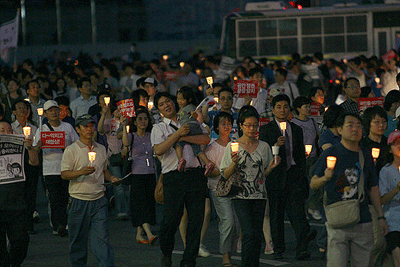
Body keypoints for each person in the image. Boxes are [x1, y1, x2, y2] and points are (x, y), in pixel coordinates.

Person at [310, 113, 388, 267]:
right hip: (337, 219)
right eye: (350, 125)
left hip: (362, 219)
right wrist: (325, 178)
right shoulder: (331, 153)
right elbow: (313, 183)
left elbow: (373, 188)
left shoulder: (365, 155)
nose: (355, 129)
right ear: (339, 129)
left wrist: (380, 217)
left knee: (364, 262)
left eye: (359, 126)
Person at [151, 92, 210, 267]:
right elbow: (159, 150)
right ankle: (166, 252)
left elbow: (205, 138)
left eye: (168, 101)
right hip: (173, 176)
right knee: (171, 219)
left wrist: (183, 136)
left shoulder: (189, 119)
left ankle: (189, 259)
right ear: (159, 109)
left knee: (196, 220)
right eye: (161, 104)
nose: (166, 105)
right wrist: (177, 135)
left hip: (195, 174)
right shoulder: (159, 128)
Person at [220, 105, 279, 267]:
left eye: (255, 125)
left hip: (259, 195)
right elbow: (224, 174)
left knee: (256, 234)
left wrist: (271, 168)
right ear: (240, 126)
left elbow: (262, 174)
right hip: (240, 195)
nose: (252, 129)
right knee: (248, 232)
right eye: (248, 125)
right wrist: (233, 163)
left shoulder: (264, 146)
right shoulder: (233, 146)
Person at [259, 94, 316, 260]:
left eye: (285, 107)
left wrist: (300, 172)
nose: (282, 110)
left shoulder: (296, 129)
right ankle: (278, 249)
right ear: (273, 109)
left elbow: (299, 154)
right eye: (279, 107)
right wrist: (275, 146)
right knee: (276, 216)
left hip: (293, 175)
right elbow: (263, 152)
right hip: (276, 177)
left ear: (289, 109)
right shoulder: (267, 129)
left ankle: (302, 248)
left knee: (297, 214)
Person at [61, 114, 121, 267]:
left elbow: (104, 170)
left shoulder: (101, 148)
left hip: (99, 199)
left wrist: (112, 178)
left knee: (102, 240)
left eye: (91, 126)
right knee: (78, 242)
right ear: (78, 130)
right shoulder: (71, 150)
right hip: (78, 200)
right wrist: (81, 172)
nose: (89, 129)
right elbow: (65, 174)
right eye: (85, 126)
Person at [33, 100, 79, 236]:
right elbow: (34, 148)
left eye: (56, 110)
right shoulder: (42, 129)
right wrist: (39, 145)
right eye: (50, 110)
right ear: (45, 114)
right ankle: (58, 224)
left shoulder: (68, 127)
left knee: (66, 197)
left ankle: (64, 223)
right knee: (54, 198)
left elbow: (76, 144)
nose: (54, 112)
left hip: (66, 168)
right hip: (50, 169)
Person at [0, 121, 39, 267]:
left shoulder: (20, 148)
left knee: (21, 241)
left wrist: (29, 147)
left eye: (9, 130)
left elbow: (34, 163)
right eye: (2, 130)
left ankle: (13, 263)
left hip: (17, 204)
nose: (6, 132)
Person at [205, 112, 240, 266]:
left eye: (228, 123)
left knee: (237, 224)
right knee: (228, 221)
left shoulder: (236, 145)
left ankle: (230, 253)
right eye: (223, 124)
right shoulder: (212, 148)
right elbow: (208, 172)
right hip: (218, 190)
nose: (226, 127)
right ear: (217, 127)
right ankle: (226, 256)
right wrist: (223, 170)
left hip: (236, 188)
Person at [122, 107, 158, 244]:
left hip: (150, 173)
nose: (143, 122)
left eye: (145, 119)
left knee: (148, 203)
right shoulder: (132, 136)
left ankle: (139, 234)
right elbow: (125, 143)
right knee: (140, 204)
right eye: (140, 119)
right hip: (137, 174)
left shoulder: (151, 135)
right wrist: (124, 126)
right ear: (135, 122)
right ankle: (149, 234)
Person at [98, 100, 129, 220]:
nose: (118, 111)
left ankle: (124, 207)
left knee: (126, 185)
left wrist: (124, 124)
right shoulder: (109, 122)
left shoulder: (126, 122)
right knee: (118, 184)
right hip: (113, 155)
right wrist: (103, 114)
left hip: (125, 155)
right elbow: (100, 130)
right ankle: (121, 211)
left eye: (120, 109)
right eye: (117, 109)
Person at [175, 86, 214, 175]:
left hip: (189, 127)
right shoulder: (187, 108)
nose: (179, 101)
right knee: (196, 149)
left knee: (178, 142)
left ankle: (180, 160)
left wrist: (193, 114)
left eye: (182, 99)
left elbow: (194, 114)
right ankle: (208, 163)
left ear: (189, 99)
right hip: (196, 128)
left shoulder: (189, 107)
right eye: (178, 99)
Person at [380, 130, 400, 267]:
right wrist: (397, 189)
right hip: (392, 219)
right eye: (396, 144)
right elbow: (383, 199)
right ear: (390, 149)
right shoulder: (386, 171)